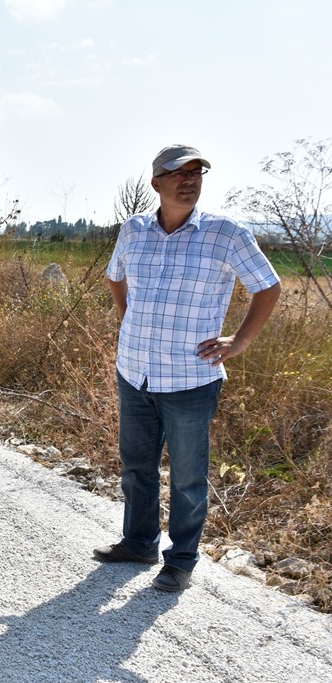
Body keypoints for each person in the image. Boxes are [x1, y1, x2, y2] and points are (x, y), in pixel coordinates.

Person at [95, 144, 282, 592]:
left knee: (188, 476)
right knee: (137, 466)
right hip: (134, 370)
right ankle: (139, 543)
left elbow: (268, 286)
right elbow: (115, 277)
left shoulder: (225, 233)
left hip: (190, 379)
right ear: (156, 182)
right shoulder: (134, 230)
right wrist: (130, 320)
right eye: (180, 172)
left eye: (197, 172)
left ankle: (180, 560)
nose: (190, 179)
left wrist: (241, 340)